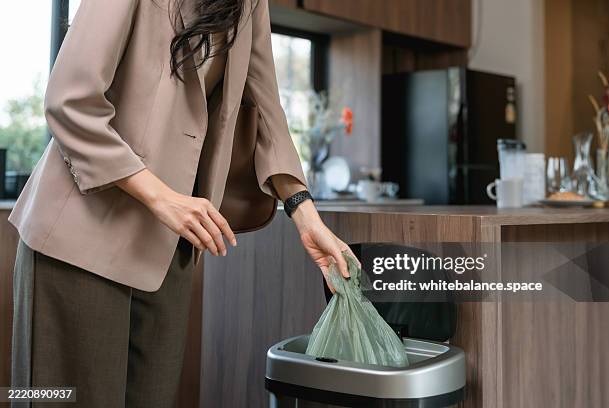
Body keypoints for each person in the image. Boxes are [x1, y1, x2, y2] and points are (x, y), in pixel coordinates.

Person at [8, 0, 353, 406]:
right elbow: (70, 101)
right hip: (81, 238)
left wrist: (304, 213)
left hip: (168, 249)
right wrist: (164, 198)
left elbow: (266, 111)